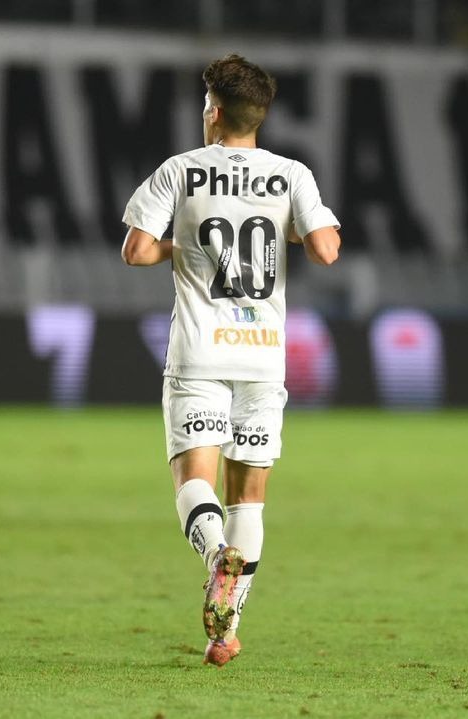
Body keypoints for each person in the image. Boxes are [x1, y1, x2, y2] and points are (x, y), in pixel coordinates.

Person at [120, 53, 341, 667]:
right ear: (259, 118)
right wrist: (287, 230)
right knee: (251, 498)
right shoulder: (291, 174)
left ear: (213, 113)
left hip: (198, 353)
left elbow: (135, 251)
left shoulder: (181, 172)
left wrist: (183, 246)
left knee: (195, 482)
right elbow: (325, 250)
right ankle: (225, 632)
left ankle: (215, 552)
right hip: (263, 359)